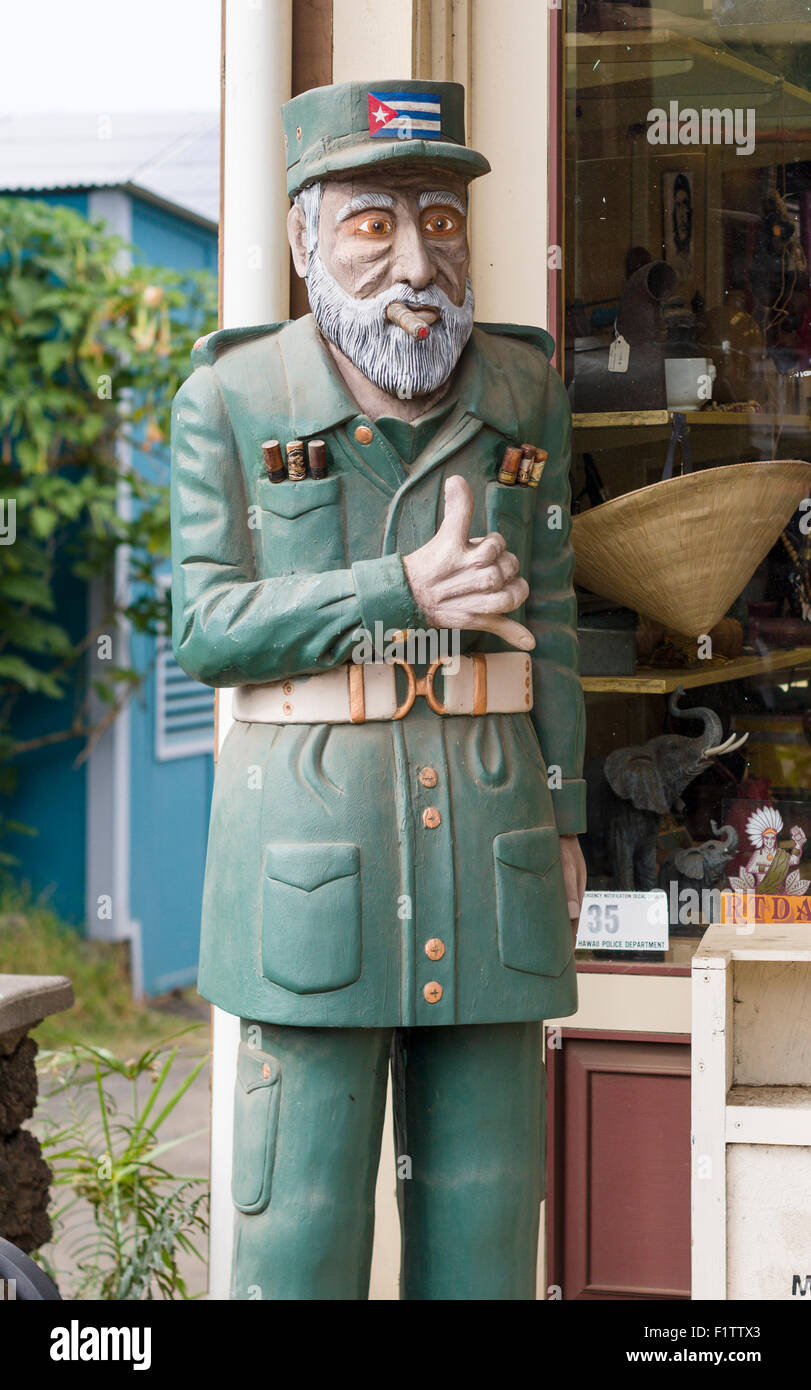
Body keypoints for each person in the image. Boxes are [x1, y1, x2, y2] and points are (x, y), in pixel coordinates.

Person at [171, 78, 587, 1300]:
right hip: (310, 853)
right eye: (373, 221)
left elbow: (551, 616)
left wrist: (563, 813)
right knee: (297, 1224)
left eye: (441, 219)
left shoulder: (522, 392)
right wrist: (395, 589)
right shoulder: (232, 401)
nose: (417, 256)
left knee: (486, 1220)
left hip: (495, 843)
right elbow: (204, 627)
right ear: (306, 232)